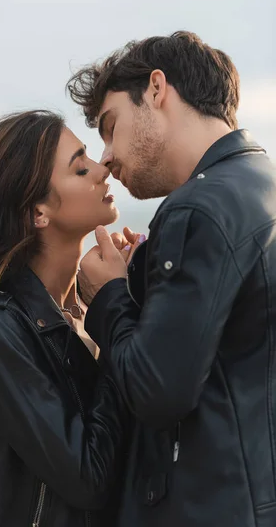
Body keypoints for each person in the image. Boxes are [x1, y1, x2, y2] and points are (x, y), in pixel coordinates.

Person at [67, 31, 276, 527]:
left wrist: (109, 296)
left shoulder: (198, 209)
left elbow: (158, 392)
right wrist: (146, 278)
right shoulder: (260, 183)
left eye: (111, 126)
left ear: (158, 89)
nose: (107, 158)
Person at [0, 110, 133, 527]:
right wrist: (116, 322)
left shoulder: (78, 311)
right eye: (80, 167)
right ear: (38, 211)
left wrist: (124, 299)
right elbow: (87, 478)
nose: (101, 167)